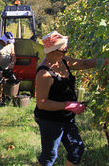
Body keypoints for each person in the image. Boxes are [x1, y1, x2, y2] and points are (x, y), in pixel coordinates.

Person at [34, 31, 108, 166]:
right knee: (49, 155)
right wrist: (68, 105)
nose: (66, 52)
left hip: (66, 116)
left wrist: (104, 61)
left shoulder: (63, 60)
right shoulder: (44, 73)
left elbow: (84, 64)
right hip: (49, 119)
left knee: (76, 149)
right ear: (52, 51)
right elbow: (42, 103)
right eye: (64, 50)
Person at [0, 31, 18, 106]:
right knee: (0, 83)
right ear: (4, 40)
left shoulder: (11, 45)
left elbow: (13, 56)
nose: (9, 43)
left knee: (13, 81)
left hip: (8, 67)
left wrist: (12, 63)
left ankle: (9, 97)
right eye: (8, 42)